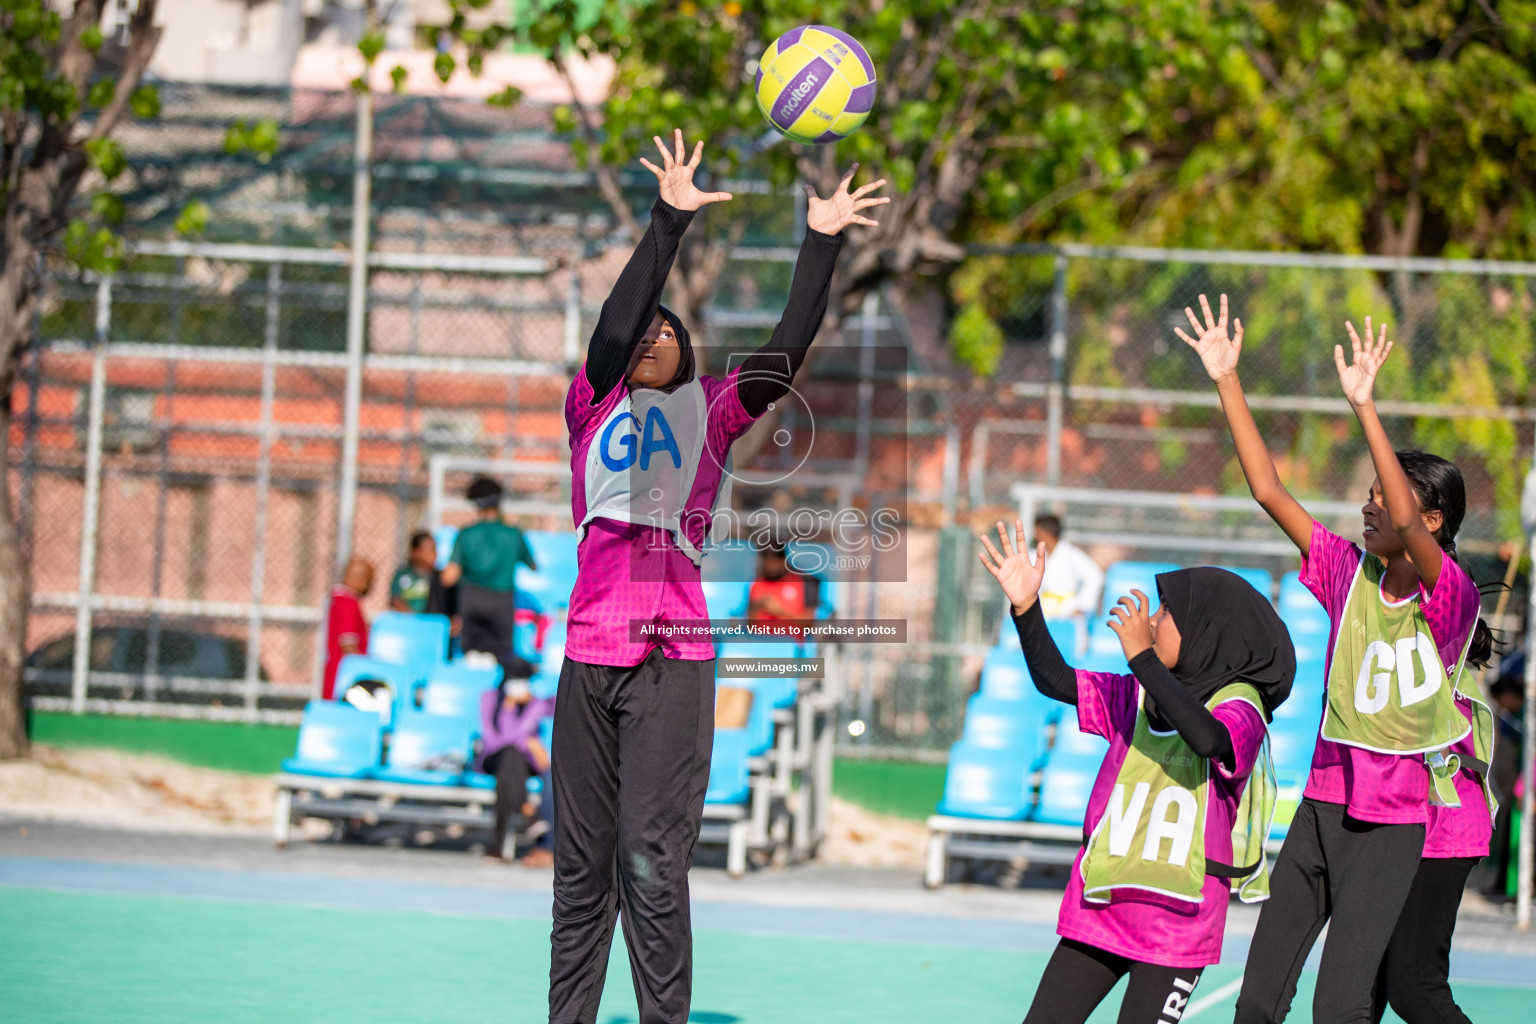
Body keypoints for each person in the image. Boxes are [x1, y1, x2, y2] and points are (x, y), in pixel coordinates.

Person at [549, 129, 887, 1024]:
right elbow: (616, 321)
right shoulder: (593, 406)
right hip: (589, 656)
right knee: (580, 875)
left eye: (671, 330)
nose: (653, 334)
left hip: (673, 660)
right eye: (644, 331)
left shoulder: (713, 412)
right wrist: (668, 222)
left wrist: (819, 242)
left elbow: (784, 352)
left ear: (690, 358)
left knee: (650, 864)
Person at [1174, 296, 1490, 1024]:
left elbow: (1409, 524)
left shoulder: (1451, 601)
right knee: (1256, 1001)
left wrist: (1365, 406)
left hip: (1392, 825)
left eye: (1385, 499)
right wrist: (1226, 378)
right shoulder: (1348, 575)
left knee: (1341, 1008)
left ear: (1433, 522)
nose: (1370, 508)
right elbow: (1266, 489)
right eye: (1369, 496)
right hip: (1322, 804)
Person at [979, 522, 1292, 1024]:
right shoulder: (1136, 692)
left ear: (1203, 629)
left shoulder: (1241, 706)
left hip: (1177, 924)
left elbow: (1210, 739)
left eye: (1166, 611)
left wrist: (1143, 660)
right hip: (1104, 906)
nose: (1151, 619)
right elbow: (1056, 680)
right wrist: (1026, 608)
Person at [440, 477, 536, 677]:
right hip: (501, 601)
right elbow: (533, 566)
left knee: (471, 658)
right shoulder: (513, 534)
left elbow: (449, 577)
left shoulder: (466, 534)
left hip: (471, 598)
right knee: (502, 659)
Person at [477, 677, 555, 867]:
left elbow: (516, 738)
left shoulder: (535, 704)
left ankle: (499, 844)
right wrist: (508, 709)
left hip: (518, 763)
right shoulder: (490, 699)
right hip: (493, 757)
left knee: (510, 768)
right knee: (509, 757)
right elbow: (495, 741)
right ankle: (527, 811)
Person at [1033, 514, 1105, 623]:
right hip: (1044, 609)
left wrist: (1082, 606)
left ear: (1046, 532)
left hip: (1067, 612)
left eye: (1037, 532)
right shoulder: (1037, 555)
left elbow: (1095, 576)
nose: (1035, 536)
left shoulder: (1070, 554)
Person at [322, 556, 373, 700]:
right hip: (342, 675)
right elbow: (348, 645)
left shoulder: (337, 600)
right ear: (361, 580)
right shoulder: (348, 603)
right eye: (370, 580)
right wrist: (365, 670)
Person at [747, 541, 821, 632]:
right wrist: (758, 607)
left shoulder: (802, 581)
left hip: (791, 641)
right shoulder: (757, 584)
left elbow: (810, 625)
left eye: (774, 562)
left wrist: (780, 611)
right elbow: (749, 626)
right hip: (760, 641)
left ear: (783, 560)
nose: (771, 567)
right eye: (768, 563)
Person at [389, 531, 438, 614]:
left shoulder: (439, 577)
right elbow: (396, 600)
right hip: (407, 622)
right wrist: (413, 620)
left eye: (434, 549)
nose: (434, 553)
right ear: (416, 552)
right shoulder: (402, 575)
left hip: (432, 623)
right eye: (429, 549)